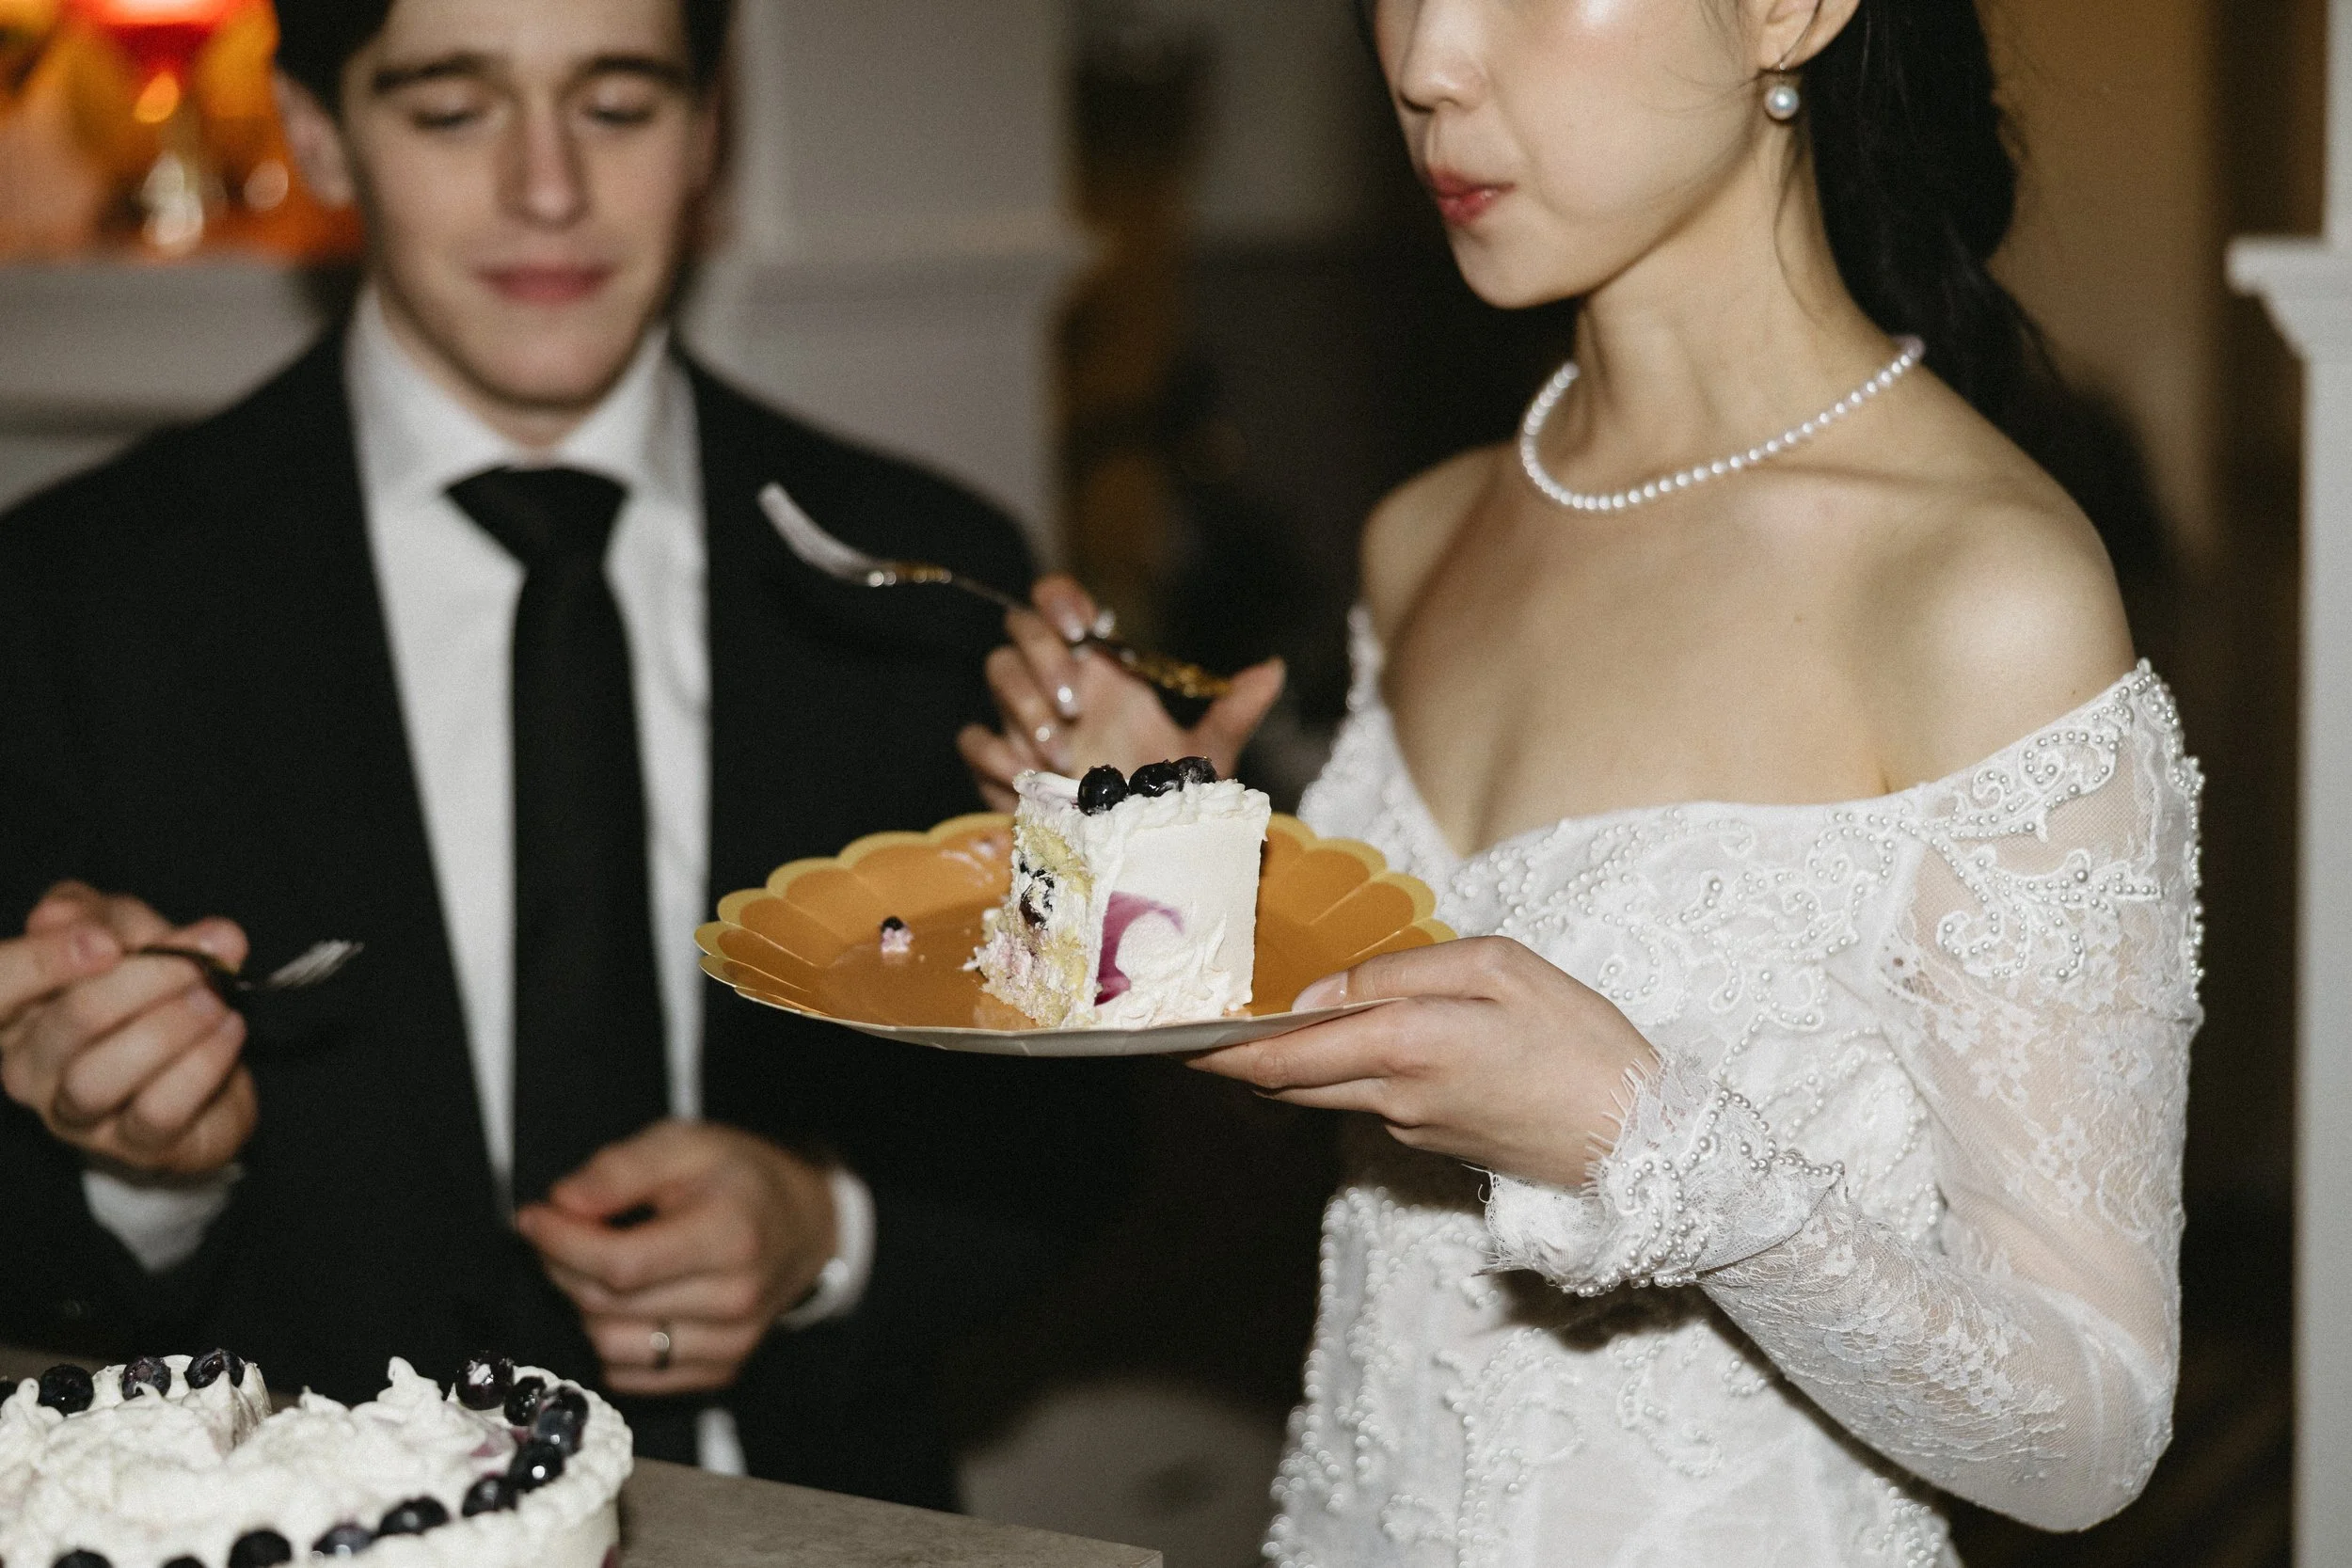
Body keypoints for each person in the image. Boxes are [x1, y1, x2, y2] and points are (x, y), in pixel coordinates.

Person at [968, 0, 2202, 1560]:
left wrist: (1650, 1146)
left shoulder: (1980, 594)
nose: (1424, 63)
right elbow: (1359, 1153)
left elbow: (2092, 1433)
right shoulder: (1424, 539)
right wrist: (1161, 862)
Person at [0, 0, 1116, 1509]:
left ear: (710, 128)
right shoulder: (72, 597)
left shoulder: (928, 580)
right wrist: (138, 1163)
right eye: (454, 110)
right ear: (322, 131)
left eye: (618, 103)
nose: (548, 186)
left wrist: (828, 1227)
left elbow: (1069, 1135)